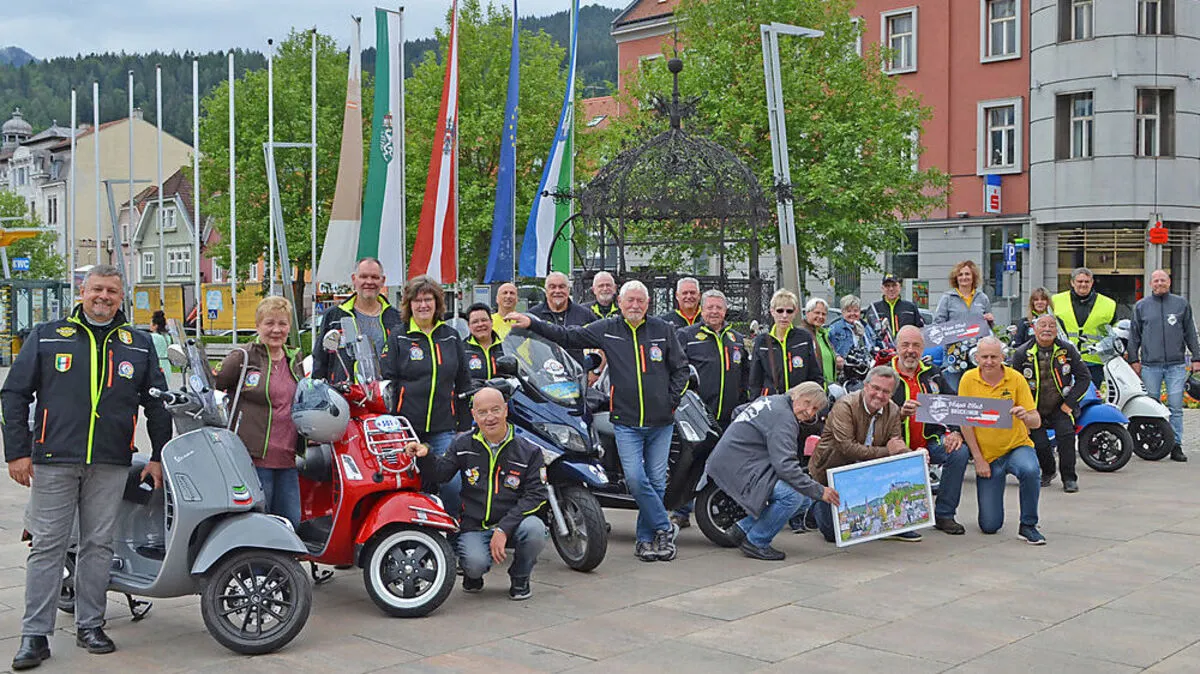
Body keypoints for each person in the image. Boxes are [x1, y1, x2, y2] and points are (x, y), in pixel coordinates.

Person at [1, 265, 171, 667]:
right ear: (82, 290)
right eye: (97, 289)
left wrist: (159, 455)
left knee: (99, 545)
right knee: (48, 546)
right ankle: (35, 635)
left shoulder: (139, 343)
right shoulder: (47, 335)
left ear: (121, 296)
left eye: (112, 291)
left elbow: (158, 403)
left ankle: (90, 624)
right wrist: (16, 452)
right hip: (55, 459)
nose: (104, 297)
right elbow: (13, 394)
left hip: (111, 461)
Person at [507, 280, 689, 562]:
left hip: (660, 423)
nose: (635, 306)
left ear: (648, 303)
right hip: (626, 422)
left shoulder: (663, 330)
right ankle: (664, 528)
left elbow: (681, 369)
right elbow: (566, 336)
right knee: (636, 479)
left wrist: (671, 401)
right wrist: (531, 322)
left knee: (656, 483)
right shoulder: (608, 329)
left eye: (640, 301)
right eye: (630, 301)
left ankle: (645, 540)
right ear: (620, 303)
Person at [411, 387, 547, 600]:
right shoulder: (462, 443)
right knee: (475, 564)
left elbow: (536, 494)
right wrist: (425, 454)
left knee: (536, 530)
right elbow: (441, 474)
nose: (490, 417)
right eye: (482, 412)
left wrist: (503, 529)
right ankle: (473, 574)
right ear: (474, 415)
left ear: (505, 411)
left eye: (495, 410)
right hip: (474, 525)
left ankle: (520, 576)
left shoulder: (530, 451)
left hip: (512, 524)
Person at [705, 383, 840, 560]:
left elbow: (738, 412)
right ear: (795, 395)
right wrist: (820, 490)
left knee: (805, 500)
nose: (809, 411)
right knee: (794, 496)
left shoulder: (773, 401)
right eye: (807, 403)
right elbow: (785, 466)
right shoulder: (784, 418)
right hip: (739, 467)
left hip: (734, 461)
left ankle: (741, 529)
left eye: (815, 409)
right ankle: (756, 541)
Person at [382, 275, 472, 522]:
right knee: (408, 486)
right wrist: (390, 425)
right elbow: (387, 383)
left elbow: (464, 383)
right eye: (417, 300)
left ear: (437, 303)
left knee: (452, 485)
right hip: (405, 429)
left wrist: (463, 427)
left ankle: (451, 534)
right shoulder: (399, 336)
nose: (423, 305)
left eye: (428, 299)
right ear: (409, 304)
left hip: (443, 428)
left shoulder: (451, 336)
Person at [214, 296, 306, 526]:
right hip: (253, 458)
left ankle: (282, 564)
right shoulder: (243, 357)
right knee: (258, 524)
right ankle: (255, 564)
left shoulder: (295, 359)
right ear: (258, 326)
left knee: (289, 522)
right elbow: (213, 387)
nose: (276, 329)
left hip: (287, 457)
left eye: (282, 324)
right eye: (269, 323)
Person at [670, 290, 748, 530]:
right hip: (696, 416)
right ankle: (681, 511)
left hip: (728, 416)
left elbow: (745, 375)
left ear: (725, 310)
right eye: (710, 307)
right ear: (702, 310)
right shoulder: (686, 336)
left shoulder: (735, 339)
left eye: (719, 307)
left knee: (725, 464)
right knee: (692, 464)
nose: (714, 312)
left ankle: (721, 510)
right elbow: (676, 371)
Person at [809, 366, 912, 542]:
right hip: (832, 473)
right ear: (865, 386)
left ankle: (893, 521)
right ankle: (812, 506)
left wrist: (915, 456)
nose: (879, 395)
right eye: (876, 388)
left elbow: (897, 445)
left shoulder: (893, 410)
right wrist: (888, 451)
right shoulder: (845, 405)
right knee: (834, 535)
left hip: (867, 475)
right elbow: (848, 448)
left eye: (886, 391)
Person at [957, 337, 1046, 544]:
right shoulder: (967, 380)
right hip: (988, 457)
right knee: (990, 526)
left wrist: (1025, 416)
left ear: (1002, 357)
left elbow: (1036, 422)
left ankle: (1028, 525)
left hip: (1016, 447)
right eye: (985, 357)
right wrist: (978, 458)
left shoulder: (1015, 379)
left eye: (994, 357)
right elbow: (965, 422)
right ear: (976, 357)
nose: (989, 361)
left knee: (1031, 470)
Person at [890, 326, 969, 534]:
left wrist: (955, 432)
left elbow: (954, 405)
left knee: (959, 452)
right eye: (905, 345)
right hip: (893, 444)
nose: (910, 350)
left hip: (929, 440)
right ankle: (898, 520)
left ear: (923, 348)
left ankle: (944, 515)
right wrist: (898, 414)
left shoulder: (933, 374)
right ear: (896, 347)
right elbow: (869, 413)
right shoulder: (884, 374)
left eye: (916, 345)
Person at [1127, 269, 1200, 462]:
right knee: (1151, 406)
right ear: (1150, 284)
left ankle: (1176, 445)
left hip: (1176, 365)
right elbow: (1134, 336)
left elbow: (1190, 333)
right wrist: (1134, 360)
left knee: (1175, 407)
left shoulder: (1181, 304)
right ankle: (1153, 443)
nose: (1159, 283)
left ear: (1169, 282)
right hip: (1150, 366)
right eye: (1156, 280)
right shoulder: (1141, 306)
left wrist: (1196, 358)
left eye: (1163, 280)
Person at [1011, 315, 1090, 492]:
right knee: (1039, 443)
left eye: (1052, 326)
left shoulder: (1068, 350)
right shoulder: (1022, 353)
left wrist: (1069, 403)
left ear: (1057, 330)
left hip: (1060, 407)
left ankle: (1069, 478)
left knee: (1067, 439)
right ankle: (1047, 472)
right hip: (1033, 409)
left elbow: (1084, 378)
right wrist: (1024, 408)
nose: (1047, 329)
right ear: (1035, 329)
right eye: (1043, 325)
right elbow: (1012, 382)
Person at [313, 257, 403, 384]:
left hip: (385, 398)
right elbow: (320, 360)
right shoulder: (334, 317)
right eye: (364, 276)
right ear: (354, 279)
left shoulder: (397, 319)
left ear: (383, 281)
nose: (369, 282)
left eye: (375, 277)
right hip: (344, 397)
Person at [748, 289, 823, 397]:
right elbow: (755, 380)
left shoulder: (804, 338)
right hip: (771, 403)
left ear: (795, 312)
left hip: (799, 402)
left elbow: (815, 374)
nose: (784, 315)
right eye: (780, 311)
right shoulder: (762, 341)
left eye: (789, 311)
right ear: (772, 311)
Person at [935, 260, 994, 392]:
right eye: (960, 275)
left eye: (967, 274)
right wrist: (952, 330)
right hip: (953, 350)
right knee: (953, 389)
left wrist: (990, 320)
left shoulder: (982, 298)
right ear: (956, 278)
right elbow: (938, 323)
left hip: (976, 351)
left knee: (976, 389)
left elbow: (989, 328)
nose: (964, 277)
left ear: (973, 277)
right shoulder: (947, 298)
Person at [1052, 267, 1116, 385]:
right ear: (1072, 282)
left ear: (1092, 283)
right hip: (1064, 358)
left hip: (1094, 361)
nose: (1083, 284)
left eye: (1087, 281)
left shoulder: (1109, 304)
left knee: (1092, 398)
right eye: (1079, 281)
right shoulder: (1055, 301)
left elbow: (1113, 332)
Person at [528, 271, 596, 367]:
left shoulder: (585, 314)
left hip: (578, 375)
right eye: (553, 287)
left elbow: (600, 342)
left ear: (568, 290)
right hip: (542, 376)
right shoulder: (533, 315)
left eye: (562, 287)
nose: (557, 291)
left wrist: (595, 371)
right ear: (546, 291)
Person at [800, 297, 840, 387]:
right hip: (813, 388)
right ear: (807, 313)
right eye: (817, 313)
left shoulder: (823, 334)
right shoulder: (802, 334)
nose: (820, 317)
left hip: (828, 387)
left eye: (824, 314)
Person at [871, 273, 925, 337]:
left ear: (899, 287)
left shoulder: (910, 307)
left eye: (894, 285)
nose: (891, 289)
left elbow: (921, 330)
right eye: (887, 286)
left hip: (906, 345)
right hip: (883, 346)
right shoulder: (874, 309)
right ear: (882, 288)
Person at [464, 302, 504, 382]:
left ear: (491, 322)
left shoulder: (505, 347)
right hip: (474, 394)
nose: (480, 324)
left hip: (504, 393)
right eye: (475, 322)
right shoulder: (461, 349)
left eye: (484, 320)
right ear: (469, 325)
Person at [149, 310, 171, 375]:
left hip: (157, 364)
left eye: (150, 323)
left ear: (155, 325)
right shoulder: (167, 337)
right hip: (166, 364)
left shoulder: (153, 337)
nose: (149, 325)